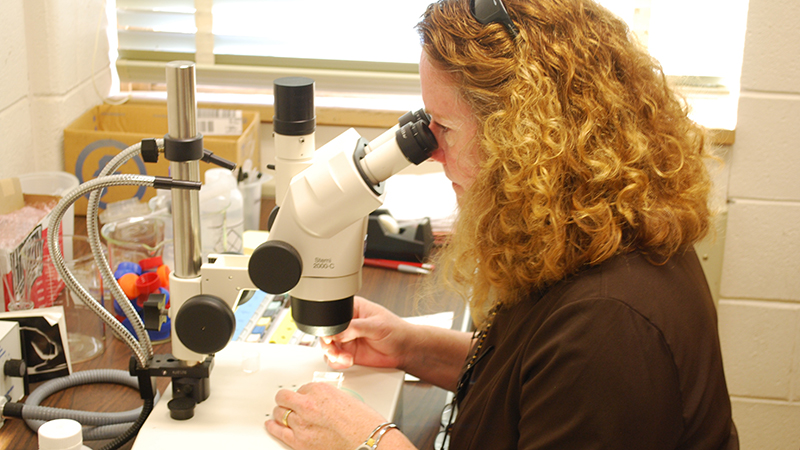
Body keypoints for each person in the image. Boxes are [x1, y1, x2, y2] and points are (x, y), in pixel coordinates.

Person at [265, 0, 738, 448]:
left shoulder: (610, 327)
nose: (429, 151)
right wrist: (413, 347)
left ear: (521, 137)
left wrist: (369, 440)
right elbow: (538, 377)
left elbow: (575, 363)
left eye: (444, 127)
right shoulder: (593, 226)